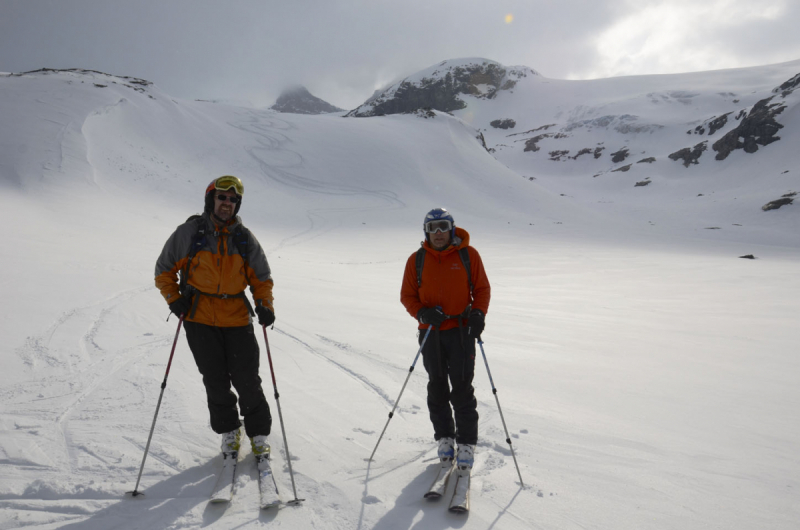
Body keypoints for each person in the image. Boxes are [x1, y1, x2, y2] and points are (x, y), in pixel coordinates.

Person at [154, 175, 276, 461]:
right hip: (200, 319)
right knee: (215, 380)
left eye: (233, 200)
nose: (227, 203)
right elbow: (164, 270)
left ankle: (258, 434)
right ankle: (229, 430)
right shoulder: (190, 232)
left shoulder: (243, 238)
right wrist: (175, 299)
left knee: (247, 380)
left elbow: (261, 278)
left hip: (236, 319)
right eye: (222, 197)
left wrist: (265, 304)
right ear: (211, 199)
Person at [400, 208, 490, 475]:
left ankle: (466, 444)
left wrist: (478, 314)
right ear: (426, 232)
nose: (438, 233)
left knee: (462, 388)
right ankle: (445, 440)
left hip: (461, 331)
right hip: (431, 332)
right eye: (432, 228)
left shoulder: (467, 255)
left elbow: (482, 288)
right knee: (436, 387)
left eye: (443, 227)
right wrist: (422, 312)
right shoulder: (416, 260)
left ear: (451, 228)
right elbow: (407, 295)